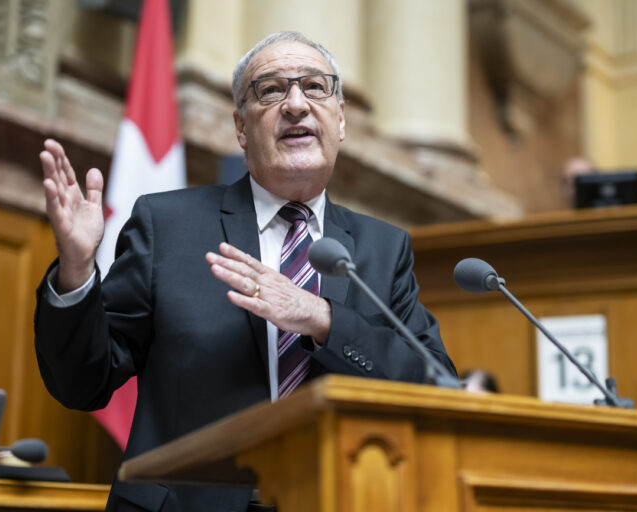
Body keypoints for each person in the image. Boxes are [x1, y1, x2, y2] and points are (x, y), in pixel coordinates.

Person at [34, 31, 457, 512]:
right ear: (240, 127)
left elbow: (437, 387)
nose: (296, 104)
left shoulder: (384, 248)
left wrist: (323, 319)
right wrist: (75, 270)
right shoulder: (168, 225)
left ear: (340, 121)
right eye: (271, 89)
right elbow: (82, 383)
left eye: (315, 87)